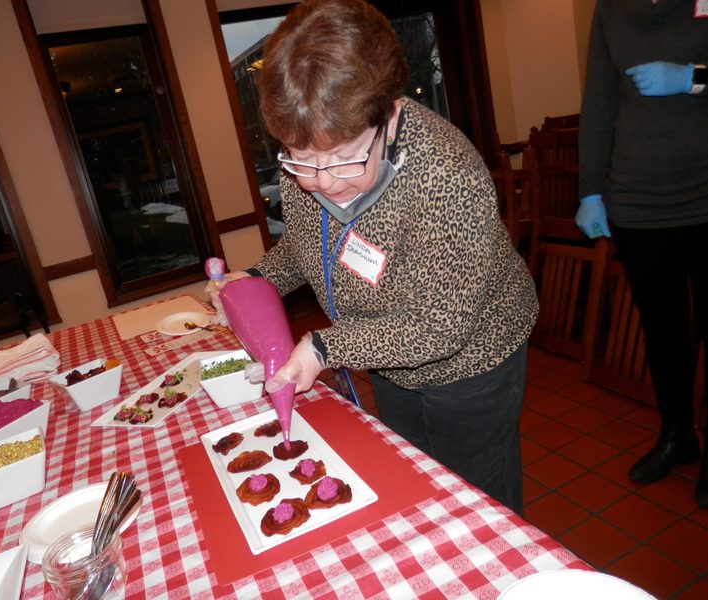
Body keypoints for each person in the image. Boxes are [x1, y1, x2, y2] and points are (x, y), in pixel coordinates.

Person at [211, 0, 537, 515]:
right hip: (385, 354)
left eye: (343, 157)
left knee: (478, 505)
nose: (321, 181)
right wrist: (252, 279)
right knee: (417, 487)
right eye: (301, 158)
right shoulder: (311, 155)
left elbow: (439, 327)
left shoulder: (447, 175)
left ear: (391, 113)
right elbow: (305, 244)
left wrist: (323, 348)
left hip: (471, 361)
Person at [575, 0, 708, 506]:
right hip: (637, 199)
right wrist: (590, 188)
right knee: (663, 331)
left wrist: (694, 77)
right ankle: (679, 435)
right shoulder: (610, 8)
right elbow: (599, 101)